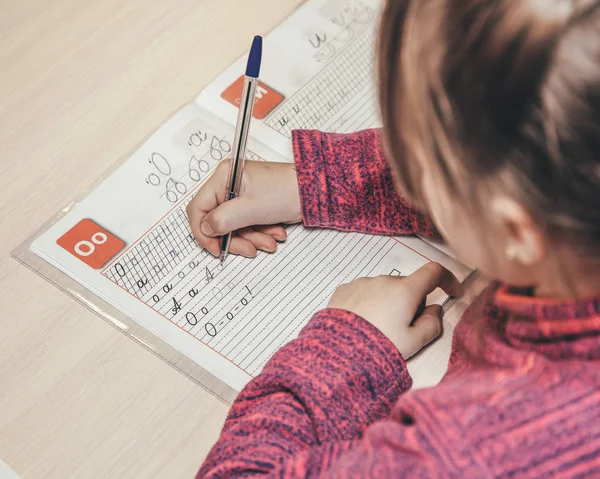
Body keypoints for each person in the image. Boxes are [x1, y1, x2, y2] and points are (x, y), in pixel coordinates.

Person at [187, 0, 600, 476]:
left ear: (516, 230)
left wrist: (347, 350)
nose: (405, 181)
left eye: (417, 170)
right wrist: (315, 179)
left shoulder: (480, 451)